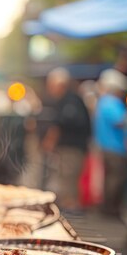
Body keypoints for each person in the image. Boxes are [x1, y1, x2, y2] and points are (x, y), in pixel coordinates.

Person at [41, 67, 91, 212]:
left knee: (68, 178)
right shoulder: (68, 99)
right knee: (66, 177)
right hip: (72, 147)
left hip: (72, 148)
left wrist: (50, 139)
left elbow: (62, 123)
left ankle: (71, 209)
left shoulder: (70, 100)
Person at [93, 68, 127, 217]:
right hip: (114, 147)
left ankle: (108, 207)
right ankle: (110, 208)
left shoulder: (103, 102)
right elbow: (120, 121)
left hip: (106, 146)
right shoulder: (111, 102)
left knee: (110, 178)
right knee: (115, 178)